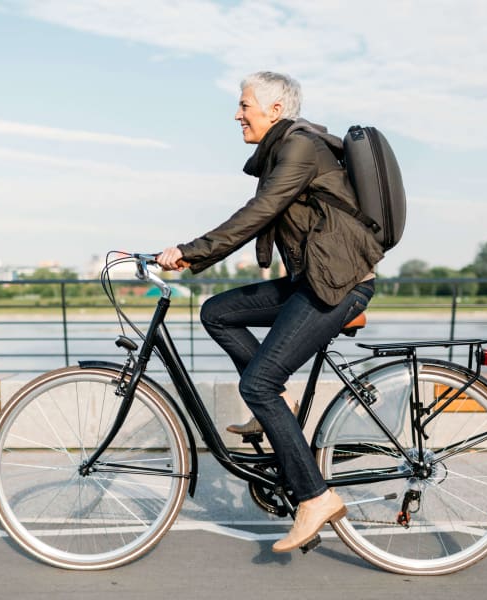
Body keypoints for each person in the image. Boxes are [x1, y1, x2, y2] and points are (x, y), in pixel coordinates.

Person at [156, 71, 385, 553]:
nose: (237, 113)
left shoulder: (299, 147)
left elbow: (260, 212)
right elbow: (262, 211)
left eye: (244, 105)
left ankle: (315, 497)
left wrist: (191, 252)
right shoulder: (284, 149)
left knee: (255, 383)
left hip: (338, 286)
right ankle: (278, 408)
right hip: (314, 280)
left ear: (274, 110)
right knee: (218, 312)